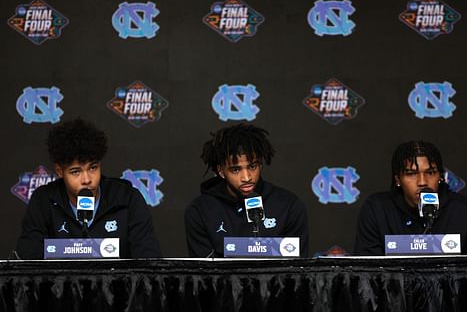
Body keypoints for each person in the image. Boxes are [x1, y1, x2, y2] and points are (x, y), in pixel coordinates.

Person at [16, 118, 162, 259]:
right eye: (76, 172)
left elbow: (149, 262)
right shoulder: (43, 201)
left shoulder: (128, 198)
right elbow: (28, 259)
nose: (87, 179)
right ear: (60, 171)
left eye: (93, 167)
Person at [354, 140, 467, 255]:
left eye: (430, 173)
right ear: (398, 179)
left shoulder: (465, 210)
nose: (422, 182)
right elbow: (366, 272)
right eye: (411, 174)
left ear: (440, 177)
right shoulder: (377, 209)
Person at [185, 123, 309, 258]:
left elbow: (298, 270)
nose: (246, 177)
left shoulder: (289, 206)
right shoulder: (200, 211)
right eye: (236, 169)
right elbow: (204, 273)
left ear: (260, 164)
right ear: (221, 170)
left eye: (252, 166)